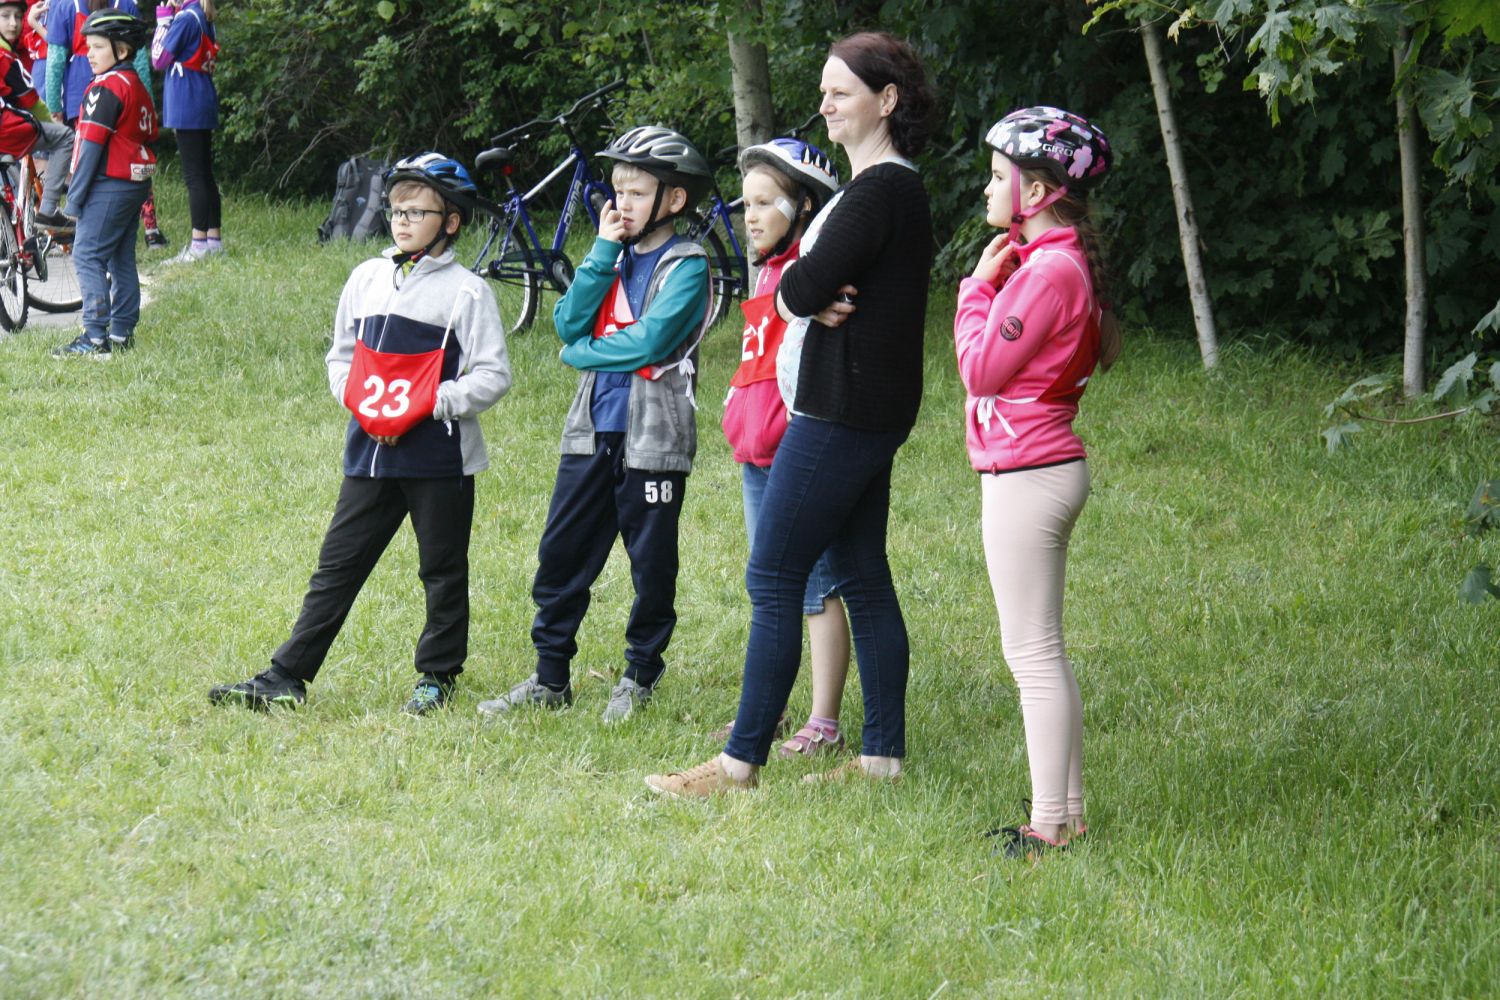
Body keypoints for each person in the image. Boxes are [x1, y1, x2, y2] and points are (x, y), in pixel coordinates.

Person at [646, 31, 936, 796]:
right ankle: (880, 759)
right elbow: (808, 286)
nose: (826, 104)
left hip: (841, 410)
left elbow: (798, 289)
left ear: (887, 100)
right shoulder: (882, 192)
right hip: (865, 407)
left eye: (841, 92)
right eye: (823, 91)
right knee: (862, 574)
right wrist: (812, 288)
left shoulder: (878, 192)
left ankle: (739, 763)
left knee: (774, 571)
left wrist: (809, 290)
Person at [208, 153, 512, 715]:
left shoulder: (467, 293)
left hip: (438, 458)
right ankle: (287, 675)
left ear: (450, 221)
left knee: (442, 570)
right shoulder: (366, 278)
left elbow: (493, 375)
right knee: (337, 566)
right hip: (369, 454)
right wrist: (367, 408)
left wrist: (426, 405)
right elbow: (341, 357)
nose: (402, 221)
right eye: (396, 210)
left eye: (417, 212)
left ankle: (437, 676)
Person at [477, 125, 712, 725]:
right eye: (617, 192)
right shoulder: (613, 255)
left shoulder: (688, 265)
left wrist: (582, 353)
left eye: (636, 193)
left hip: (653, 439)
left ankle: (639, 674)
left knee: (650, 565)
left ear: (674, 200)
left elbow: (650, 341)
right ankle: (550, 676)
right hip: (591, 430)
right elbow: (567, 321)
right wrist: (602, 253)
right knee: (561, 554)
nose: (621, 204)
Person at [953, 106, 1117, 860]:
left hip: (1029, 474)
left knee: (1033, 657)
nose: (989, 189)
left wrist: (973, 291)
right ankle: (1065, 815)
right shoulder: (1055, 261)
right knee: (1042, 651)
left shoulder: (1050, 271)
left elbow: (982, 368)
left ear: (1041, 190)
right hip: (1040, 469)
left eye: (998, 176)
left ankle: (1049, 825)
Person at [715, 136, 852, 757]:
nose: (750, 216)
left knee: (816, 587)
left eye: (765, 202)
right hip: (755, 452)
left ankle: (824, 721)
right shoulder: (768, 270)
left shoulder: (812, 274)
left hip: (796, 453)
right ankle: (766, 711)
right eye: (745, 203)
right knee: (770, 586)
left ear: (805, 206)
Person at [49, 9, 155, 359]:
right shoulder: (135, 84)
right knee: (120, 256)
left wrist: (74, 199)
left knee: (87, 253)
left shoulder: (107, 87)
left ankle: (95, 338)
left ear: (121, 50)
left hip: (110, 182)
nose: (89, 54)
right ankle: (121, 332)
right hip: (134, 183)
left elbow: (91, 146)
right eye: (88, 46)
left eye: (97, 47)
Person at [39, 0, 165, 246]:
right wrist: (146, 102)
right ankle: (151, 229)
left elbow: (55, 59)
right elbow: (139, 61)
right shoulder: (126, 4)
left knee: (87, 160)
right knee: (131, 156)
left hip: (80, 92)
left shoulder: (65, 5)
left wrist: (54, 105)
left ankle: (84, 225)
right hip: (128, 91)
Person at [151, 0, 218, 260]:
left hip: (187, 102)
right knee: (205, 173)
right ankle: (213, 240)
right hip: (202, 97)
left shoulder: (185, 19)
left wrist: (163, 20)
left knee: (194, 177)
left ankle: (199, 245)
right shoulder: (203, 15)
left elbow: (159, 59)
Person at [0, 0, 71, 218]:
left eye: (18, 17)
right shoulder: (5, 57)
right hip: (6, 129)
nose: (14, 23)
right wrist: (52, 121)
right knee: (65, 137)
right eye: (5, 16)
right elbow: (33, 103)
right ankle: (48, 212)